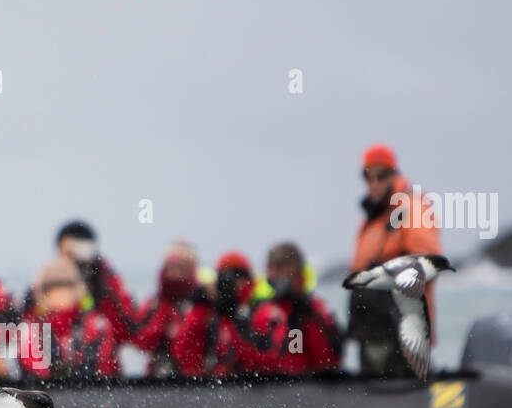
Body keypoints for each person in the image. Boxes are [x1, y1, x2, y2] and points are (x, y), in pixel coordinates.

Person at [348, 144, 445, 376]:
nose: (374, 182)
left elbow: (429, 263)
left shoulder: (411, 209)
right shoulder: (372, 220)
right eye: (368, 176)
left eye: (381, 175)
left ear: (394, 174)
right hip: (371, 333)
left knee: (402, 397)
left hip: (402, 332)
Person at [170, 251, 275, 377]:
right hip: (216, 388)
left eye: (237, 275)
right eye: (224, 277)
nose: (230, 284)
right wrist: (201, 306)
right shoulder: (211, 313)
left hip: (250, 387)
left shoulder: (260, 310)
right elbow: (183, 355)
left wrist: (239, 318)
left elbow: (265, 361)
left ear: (248, 279)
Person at [248, 242, 342, 376]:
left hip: (309, 388)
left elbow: (328, 360)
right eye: (271, 267)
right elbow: (254, 361)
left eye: (280, 267)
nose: (274, 274)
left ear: (296, 269)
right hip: (273, 389)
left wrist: (308, 321)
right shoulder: (262, 312)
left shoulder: (314, 310)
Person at [20, 255, 119, 381]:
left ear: (77, 291)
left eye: (67, 286)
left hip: (93, 392)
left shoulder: (97, 326)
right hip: (47, 395)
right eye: (54, 288)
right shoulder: (32, 330)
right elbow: (34, 370)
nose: (61, 293)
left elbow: (106, 368)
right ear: (44, 294)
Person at [53, 220, 136, 344]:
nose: (75, 256)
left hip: (100, 354)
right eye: (69, 252)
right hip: (61, 356)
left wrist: (102, 279)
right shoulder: (47, 283)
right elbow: (34, 328)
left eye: (80, 248)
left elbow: (127, 330)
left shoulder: (104, 280)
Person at [130, 241, 201, 377]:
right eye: (170, 267)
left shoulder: (201, 306)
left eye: (181, 267)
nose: (174, 273)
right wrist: (164, 308)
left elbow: (190, 346)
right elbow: (141, 341)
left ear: (191, 269)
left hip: (197, 379)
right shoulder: (155, 304)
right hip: (159, 379)